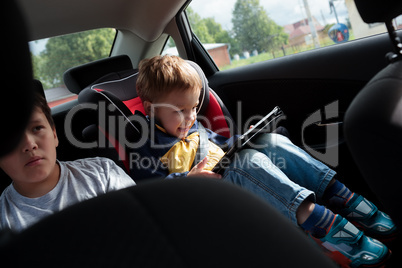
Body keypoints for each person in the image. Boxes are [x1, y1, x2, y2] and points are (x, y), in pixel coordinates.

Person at [131, 55, 396, 268]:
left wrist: (256, 136)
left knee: (267, 144)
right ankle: (328, 230)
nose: (190, 118)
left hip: (236, 179)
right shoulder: (145, 145)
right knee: (246, 161)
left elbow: (225, 146)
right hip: (207, 200)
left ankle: (344, 198)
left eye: (194, 108)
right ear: (150, 107)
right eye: (179, 111)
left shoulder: (195, 129)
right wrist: (186, 181)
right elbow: (150, 193)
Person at [0, 89, 136, 232]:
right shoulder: (4, 220)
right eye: (11, 137)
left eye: (37, 128)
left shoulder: (102, 173)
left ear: (54, 135)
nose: (29, 144)